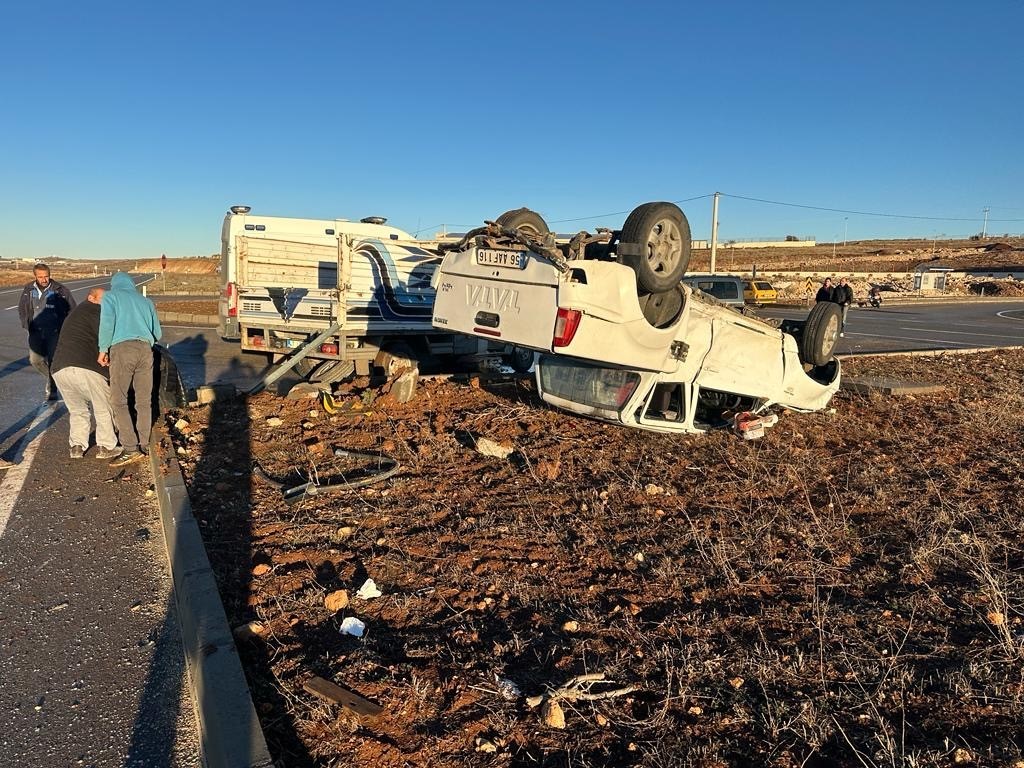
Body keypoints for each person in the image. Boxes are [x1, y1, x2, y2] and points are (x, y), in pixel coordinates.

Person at [97, 273, 162, 467]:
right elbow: (157, 333)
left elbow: (107, 324)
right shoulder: (146, 301)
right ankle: (143, 443)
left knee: (118, 400)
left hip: (122, 349)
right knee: (144, 400)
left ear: (114, 284)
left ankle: (130, 448)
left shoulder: (111, 296)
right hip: (145, 350)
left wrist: (103, 349)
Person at [51, 287, 121, 460]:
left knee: (77, 410)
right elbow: (106, 339)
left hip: (60, 368)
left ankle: (76, 447)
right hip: (86, 368)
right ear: (91, 298)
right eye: (104, 299)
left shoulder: (76, 314)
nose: (108, 303)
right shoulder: (96, 311)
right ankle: (106, 446)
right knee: (103, 407)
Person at [18, 263, 76, 400]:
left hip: (54, 332)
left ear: (50, 275)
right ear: (35, 276)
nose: (44, 280)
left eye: (46, 276)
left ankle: (53, 388)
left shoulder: (61, 290)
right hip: (35, 332)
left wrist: (64, 328)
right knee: (35, 360)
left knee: (53, 361)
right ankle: (51, 380)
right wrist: (27, 325)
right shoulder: (28, 289)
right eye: (40, 277)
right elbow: (22, 309)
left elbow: (72, 310)